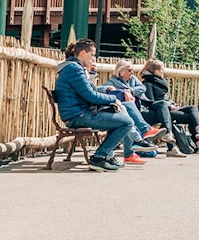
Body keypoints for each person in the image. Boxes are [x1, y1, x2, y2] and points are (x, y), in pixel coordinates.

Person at [53, 40, 138, 171]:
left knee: (119, 115)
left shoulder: (73, 68)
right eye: (92, 55)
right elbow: (91, 95)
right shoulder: (74, 69)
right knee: (126, 122)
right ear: (82, 53)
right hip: (78, 115)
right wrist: (114, 99)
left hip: (79, 113)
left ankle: (107, 156)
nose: (94, 58)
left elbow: (89, 92)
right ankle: (99, 157)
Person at [140, 59, 199, 154]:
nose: (164, 71)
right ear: (157, 71)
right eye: (162, 69)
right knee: (184, 117)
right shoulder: (148, 83)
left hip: (167, 107)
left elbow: (165, 98)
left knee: (192, 109)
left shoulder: (160, 82)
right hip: (160, 110)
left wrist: (173, 104)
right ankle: (181, 146)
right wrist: (170, 106)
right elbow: (151, 102)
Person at [103, 60, 170, 151]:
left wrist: (130, 91)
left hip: (141, 107)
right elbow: (99, 89)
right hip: (129, 111)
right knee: (129, 116)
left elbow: (142, 88)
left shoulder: (133, 79)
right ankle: (145, 133)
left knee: (165, 107)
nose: (132, 72)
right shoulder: (113, 82)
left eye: (132, 70)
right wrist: (109, 88)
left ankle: (167, 134)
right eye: (129, 70)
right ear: (120, 71)